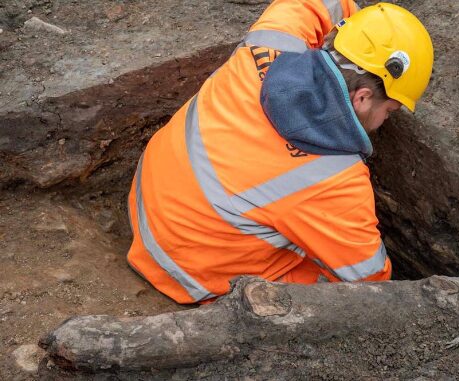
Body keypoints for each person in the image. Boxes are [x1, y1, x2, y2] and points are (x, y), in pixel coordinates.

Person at [126, 1, 434, 303]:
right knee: (334, 293)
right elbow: (373, 283)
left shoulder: (272, 41)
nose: (387, 120)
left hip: (148, 204)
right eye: (390, 110)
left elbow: (322, 4)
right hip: (189, 273)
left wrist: (360, 30)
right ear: (363, 98)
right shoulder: (335, 182)